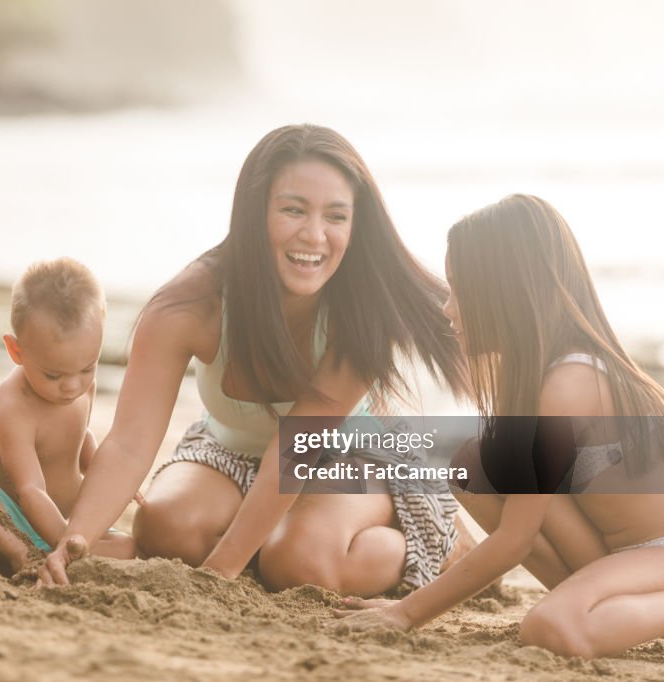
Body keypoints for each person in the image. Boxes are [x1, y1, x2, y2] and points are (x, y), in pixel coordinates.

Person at [38, 124, 469, 594]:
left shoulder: (363, 313)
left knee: (298, 560)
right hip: (228, 448)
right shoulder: (188, 307)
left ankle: (445, 543)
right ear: (254, 212)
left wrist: (218, 575)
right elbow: (128, 444)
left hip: (349, 455)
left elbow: (291, 457)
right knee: (165, 527)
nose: (314, 235)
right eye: (293, 210)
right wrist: (74, 540)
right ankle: (265, 537)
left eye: (336, 217)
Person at [333, 194, 664, 658]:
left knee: (551, 627)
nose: (448, 309)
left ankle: (602, 608)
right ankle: (598, 602)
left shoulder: (569, 384)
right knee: (475, 467)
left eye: (460, 290)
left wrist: (405, 613)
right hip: (629, 554)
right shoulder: (539, 377)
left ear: (507, 291)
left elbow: (512, 542)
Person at [0, 258, 136, 574]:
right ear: (16, 351)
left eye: (87, 368)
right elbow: (30, 490)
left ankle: (52, 550)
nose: (72, 386)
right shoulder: (13, 407)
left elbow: (79, 436)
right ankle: (23, 555)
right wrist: (65, 541)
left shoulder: (84, 386)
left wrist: (102, 473)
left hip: (56, 525)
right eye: (54, 375)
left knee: (129, 547)